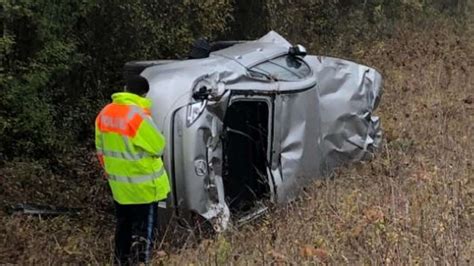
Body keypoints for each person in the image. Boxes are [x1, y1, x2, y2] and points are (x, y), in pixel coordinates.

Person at [95, 75, 170, 265]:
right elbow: (158, 146)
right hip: (143, 189)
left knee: (123, 229)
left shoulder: (105, 113)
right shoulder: (137, 116)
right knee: (144, 234)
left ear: (125, 88)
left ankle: (120, 262)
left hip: (120, 187)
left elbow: (101, 150)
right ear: (144, 94)